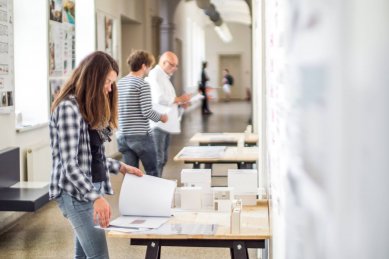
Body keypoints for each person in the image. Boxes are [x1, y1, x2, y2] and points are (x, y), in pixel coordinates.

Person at [49, 51, 144, 259]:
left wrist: (121, 167)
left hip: (91, 188)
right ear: (93, 78)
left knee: (83, 256)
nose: (110, 88)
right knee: (99, 256)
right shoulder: (68, 108)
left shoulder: (86, 107)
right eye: (107, 82)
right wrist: (96, 198)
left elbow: (90, 156)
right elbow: (70, 165)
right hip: (76, 194)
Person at [117, 50, 168, 177]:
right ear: (144, 66)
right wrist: (161, 117)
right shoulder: (142, 84)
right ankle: (154, 198)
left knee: (131, 175)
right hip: (140, 137)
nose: (149, 69)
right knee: (152, 172)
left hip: (122, 136)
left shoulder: (119, 83)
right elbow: (147, 111)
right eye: (149, 66)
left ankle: (133, 197)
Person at [145, 51, 191, 177]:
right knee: (157, 160)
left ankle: (158, 185)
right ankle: (155, 187)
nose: (175, 68)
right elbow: (159, 98)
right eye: (172, 65)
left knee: (163, 159)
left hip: (165, 124)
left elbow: (169, 99)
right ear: (164, 62)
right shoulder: (155, 74)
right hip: (157, 124)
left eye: (176, 66)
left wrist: (180, 103)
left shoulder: (164, 77)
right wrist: (180, 99)